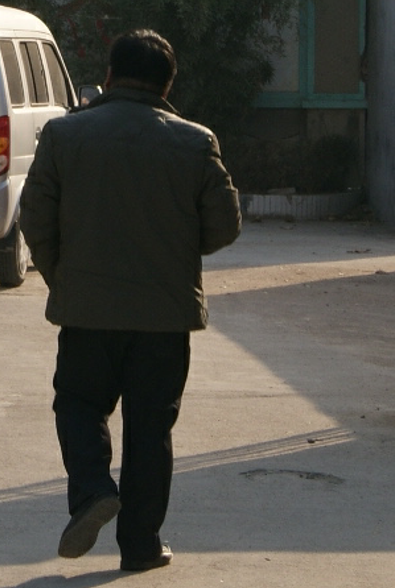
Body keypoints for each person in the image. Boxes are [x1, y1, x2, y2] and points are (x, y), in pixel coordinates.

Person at [20, 29, 243, 572]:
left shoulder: (64, 135)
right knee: (150, 427)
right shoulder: (194, 141)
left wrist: (63, 277)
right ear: (168, 84)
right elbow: (224, 226)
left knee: (78, 403)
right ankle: (141, 547)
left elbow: (35, 217)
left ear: (110, 75)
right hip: (164, 318)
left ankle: (94, 488)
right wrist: (175, 248)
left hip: (87, 311)